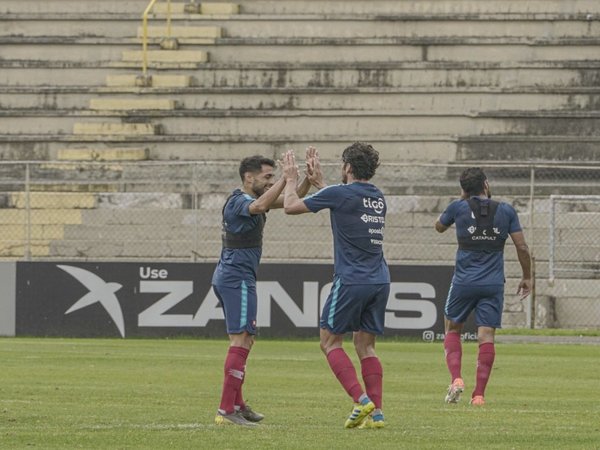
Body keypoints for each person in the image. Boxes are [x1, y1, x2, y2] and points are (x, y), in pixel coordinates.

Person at [282, 142, 390, 429]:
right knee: (366, 346)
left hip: (352, 279)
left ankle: (360, 399)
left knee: (329, 341)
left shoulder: (339, 194)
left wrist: (292, 179)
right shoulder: (378, 197)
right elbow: (346, 205)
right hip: (379, 279)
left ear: (348, 167)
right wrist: (321, 185)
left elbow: (290, 206)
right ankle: (377, 413)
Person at [212, 151, 318, 426]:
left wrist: (302, 178)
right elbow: (260, 206)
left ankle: (237, 403)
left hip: (237, 276)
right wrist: (286, 179)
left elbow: (289, 200)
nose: (271, 181)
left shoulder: (255, 199)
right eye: (267, 176)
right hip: (236, 278)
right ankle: (226, 410)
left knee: (246, 340)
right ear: (249, 178)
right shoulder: (239, 201)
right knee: (241, 339)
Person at [435, 167, 532, 406]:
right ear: (486, 185)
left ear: (463, 189)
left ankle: (456, 378)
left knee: (453, 329)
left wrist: (461, 199)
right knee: (486, 336)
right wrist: (527, 276)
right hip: (493, 283)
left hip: (464, 281)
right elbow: (522, 247)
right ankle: (478, 395)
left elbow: (438, 226)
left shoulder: (458, 208)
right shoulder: (507, 210)